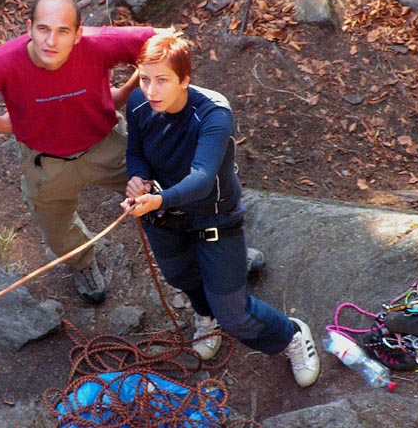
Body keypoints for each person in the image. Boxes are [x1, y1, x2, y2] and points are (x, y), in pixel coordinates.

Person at [0, 0, 155, 304]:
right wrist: (0, 123)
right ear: (29, 28)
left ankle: (204, 243)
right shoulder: (5, 62)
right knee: (57, 229)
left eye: (63, 31)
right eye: (43, 29)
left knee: (160, 193)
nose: (51, 41)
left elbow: (161, 44)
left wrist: (127, 91)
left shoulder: (98, 44)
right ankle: (82, 263)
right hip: (45, 162)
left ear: (78, 34)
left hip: (107, 145)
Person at [120, 33, 320, 388]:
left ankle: (290, 335)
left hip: (213, 218)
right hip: (165, 217)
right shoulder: (138, 104)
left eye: (162, 80)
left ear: (184, 79)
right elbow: (136, 151)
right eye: (145, 78)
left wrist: (159, 199)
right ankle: (205, 313)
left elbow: (202, 176)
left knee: (235, 314)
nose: (151, 90)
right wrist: (138, 179)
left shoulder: (213, 114)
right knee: (181, 277)